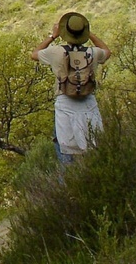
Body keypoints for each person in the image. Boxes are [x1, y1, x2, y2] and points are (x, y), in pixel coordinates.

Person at [30, 12, 111, 167]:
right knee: (94, 148)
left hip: (65, 102)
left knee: (65, 149)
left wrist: (52, 36)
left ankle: (66, 187)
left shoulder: (56, 52)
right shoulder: (93, 53)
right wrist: (90, 35)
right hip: (88, 103)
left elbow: (34, 54)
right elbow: (107, 51)